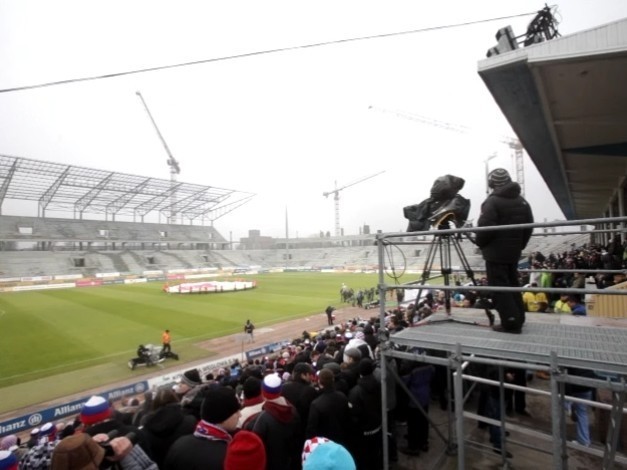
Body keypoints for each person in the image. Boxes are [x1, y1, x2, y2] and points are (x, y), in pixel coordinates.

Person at [476, 168, 534, 333]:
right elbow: (529, 227)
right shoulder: (522, 201)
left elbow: (485, 229)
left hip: (495, 254)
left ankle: (510, 322)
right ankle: (518, 318)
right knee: (513, 285)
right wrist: (519, 245)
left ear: (492, 184)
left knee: (500, 289)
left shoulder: (492, 202)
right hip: (513, 252)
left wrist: (480, 243)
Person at [163, 385, 241, 470]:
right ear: (224, 417)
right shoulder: (227, 457)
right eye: (236, 412)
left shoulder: (179, 443)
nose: (240, 415)